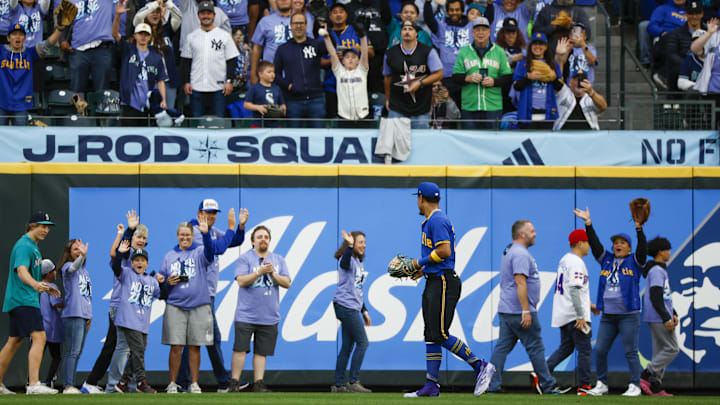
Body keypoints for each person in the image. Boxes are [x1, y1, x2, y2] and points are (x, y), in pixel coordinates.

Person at [404, 182, 495, 398]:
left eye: (417, 198)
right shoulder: (431, 221)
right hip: (434, 279)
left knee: (440, 333)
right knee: (430, 334)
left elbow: (445, 251)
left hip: (445, 281)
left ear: (420, 199)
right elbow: (438, 255)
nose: (417, 202)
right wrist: (424, 269)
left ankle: (480, 365)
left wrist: (419, 262)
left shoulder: (437, 220)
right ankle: (431, 385)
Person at [573, 206, 647, 397]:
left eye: (622, 242)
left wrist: (639, 229)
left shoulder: (634, 261)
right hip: (608, 316)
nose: (617, 245)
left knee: (630, 351)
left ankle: (635, 385)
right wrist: (588, 223)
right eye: (615, 242)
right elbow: (596, 244)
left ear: (629, 247)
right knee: (600, 350)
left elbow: (642, 249)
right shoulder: (607, 260)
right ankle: (602, 383)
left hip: (628, 315)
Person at [175, 200, 248, 393]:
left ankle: (184, 382)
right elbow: (218, 249)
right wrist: (231, 226)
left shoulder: (212, 231)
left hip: (207, 292)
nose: (212, 216)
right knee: (210, 337)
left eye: (215, 212)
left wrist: (239, 227)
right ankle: (222, 381)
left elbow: (234, 241)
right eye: (208, 212)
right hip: (199, 293)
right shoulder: (195, 230)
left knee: (198, 338)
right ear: (199, 212)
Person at [488, 220, 568, 395]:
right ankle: (547, 385)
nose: (535, 234)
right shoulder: (520, 254)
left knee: (502, 348)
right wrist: (526, 310)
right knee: (536, 347)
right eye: (532, 230)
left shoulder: (510, 251)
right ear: (522, 234)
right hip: (519, 311)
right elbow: (520, 282)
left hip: (507, 309)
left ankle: (491, 384)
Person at [160, 213, 236, 394]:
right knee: (176, 346)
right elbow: (162, 281)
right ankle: (174, 383)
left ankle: (194, 383)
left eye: (188, 234)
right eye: (182, 235)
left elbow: (211, 252)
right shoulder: (170, 255)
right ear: (178, 236)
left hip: (198, 304)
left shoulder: (200, 251)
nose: (185, 237)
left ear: (193, 235)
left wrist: (206, 235)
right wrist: (164, 281)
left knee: (195, 345)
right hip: (176, 305)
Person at [0, 211, 59, 395]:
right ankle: (33, 384)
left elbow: (31, 274)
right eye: (42, 225)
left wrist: (45, 287)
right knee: (40, 337)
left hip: (24, 298)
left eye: (48, 226)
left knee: (14, 342)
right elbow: (21, 271)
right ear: (32, 225)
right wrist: (35, 284)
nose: (46, 230)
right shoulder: (24, 246)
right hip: (23, 299)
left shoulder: (33, 246)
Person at [231, 225, 292, 393]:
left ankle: (259, 383)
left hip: (269, 315)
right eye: (259, 237)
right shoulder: (245, 259)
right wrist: (259, 271)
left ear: (269, 240)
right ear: (252, 241)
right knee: (240, 349)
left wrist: (273, 274)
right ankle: (234, 383)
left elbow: (287, 283)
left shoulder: (278, 259)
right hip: (246, 314)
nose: (263, 239)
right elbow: (241, 281)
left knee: (261, 352)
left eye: (266, 237)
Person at [546, 229, 595, 395]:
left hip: (564, 312)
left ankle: (541, 373)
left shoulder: (565, 260)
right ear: (580, 243)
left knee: (566, 348)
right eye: (587, 242)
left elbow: (571, 289)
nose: (589, 246)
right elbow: (574, 289)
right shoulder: (576, 262)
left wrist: (589, 305)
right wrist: (581, 315)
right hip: (575, 315)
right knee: (585, 349)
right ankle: (584, 386)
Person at [105, 213, 149, 393]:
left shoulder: (139, 257)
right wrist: (129, 230)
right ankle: (112, 385)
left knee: (135, 348)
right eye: (138, 236)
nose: (141, 240)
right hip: (120, 305)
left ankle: (126, 384)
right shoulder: (126, 254)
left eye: (144, 238)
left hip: (134, 308)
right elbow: (114, 253)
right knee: (123, 347)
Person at [112, 242, 163, 394]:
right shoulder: (127, 273)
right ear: (132, 262)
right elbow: (116, 268)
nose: (139, 262)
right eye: (136, 260)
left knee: (137, 352)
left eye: (142, 260)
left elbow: (162, 295)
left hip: (142, 323)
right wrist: (120, 254)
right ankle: (141, 382)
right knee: (138, 351)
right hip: (128, 319)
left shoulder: (151, 280)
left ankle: (123, 382)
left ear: (147, 263)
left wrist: (164, 282)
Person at [113, 1, 168, 126]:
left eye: (146, 34)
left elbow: (161, 80)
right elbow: (115, 35)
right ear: (135, 35)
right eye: (140, 34)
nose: (143, 37)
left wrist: (163, 100)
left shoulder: (156, 56)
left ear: (150, 37)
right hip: (129, 104)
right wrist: (117, 16)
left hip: (148, 105)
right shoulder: (128, 49)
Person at [181, 0, 239, 118]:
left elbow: (231, 60)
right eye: (203, 13)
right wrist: (186, 82)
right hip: (196, 87)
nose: (206, 16)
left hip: (219, 88)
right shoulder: (191, 37)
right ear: (198, 15)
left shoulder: (224, 36)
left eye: (208, 13)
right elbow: (186, 61)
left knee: (218, 124)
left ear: (214, 15)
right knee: (197, 124)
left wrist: (229, 81)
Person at [452, 17, 512, 129]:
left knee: (492, 143)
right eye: (477, 30)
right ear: (473, 32)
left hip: (492, 106)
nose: (481, 33)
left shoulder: (499, 51)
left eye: (484, 30)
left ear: (489, 32)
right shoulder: (464, 51)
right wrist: (468, 78)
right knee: (470, 142)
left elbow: (508, 77)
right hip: (470, 106)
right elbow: (455, 77)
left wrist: (494, 81)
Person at [331, 230, 371, 393]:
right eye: (360, 242)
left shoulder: (358, 262)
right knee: (363, 342)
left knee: (347, 346)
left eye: (364, 242)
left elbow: (357, 290)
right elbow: (344, 263)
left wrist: (364, 310)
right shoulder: (347, 258)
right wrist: (348, 245)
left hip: (352, 306)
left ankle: (339, 385)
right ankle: (353, 381)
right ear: (353, 244)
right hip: (345, 306)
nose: (364, 245)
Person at [383, 20, 443, 129]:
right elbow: (387, 77)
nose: (407, 31)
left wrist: (420, 83)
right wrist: (387, 99)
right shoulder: (390, 53)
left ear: (416, 33)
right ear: (400, 33)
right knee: (396, 142)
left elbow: (439, 74)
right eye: (404, 29)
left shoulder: (428, 51)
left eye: (410, 29)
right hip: (396, 107)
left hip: (421, 108)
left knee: (421, 143)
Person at [0, 22, 63, 125]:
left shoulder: (30, 53)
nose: (17, 37)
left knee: (20, 137)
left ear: (24, 38)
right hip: (2, 102)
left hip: (21, 104)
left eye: (20, 35)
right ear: (8, 38)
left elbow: (48, 44)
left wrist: (59, 30)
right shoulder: (1, 51)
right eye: (14, 34)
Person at [273, 12, 328, 128]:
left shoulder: (316, 44)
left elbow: (332, 47)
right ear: (291, 26)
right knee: (293, 139)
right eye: (296, 23)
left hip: (316, 99)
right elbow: (275, 74)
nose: (298, 26)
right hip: (293, 101)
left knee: (318, 138)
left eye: (301, 23)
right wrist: (288, 85)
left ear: (306, 25)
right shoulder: (283, 49)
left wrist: (324, 27)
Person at [640, 237, 679, 397]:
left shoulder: (659, 269)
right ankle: (647, 374)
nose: (669, 253)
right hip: (658, 317)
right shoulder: (656, 270)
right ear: (660, 252)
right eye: (667, 250)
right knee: (672, 349)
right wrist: (665, 318)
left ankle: (654, 385)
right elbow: (655, 296)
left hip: (660, 315)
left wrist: (673, 312)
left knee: (660, 352)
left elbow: (665, 296)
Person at [322, 2, 374, 122]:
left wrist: (362, 38)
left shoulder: (362, 70)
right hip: (332, 88)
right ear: (330, 16)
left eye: (341, 12)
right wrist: (334, 54)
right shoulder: (339, 70)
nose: (350, 59)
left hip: (362, 114)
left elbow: (367, 53)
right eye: (334, 12)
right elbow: (325, 55)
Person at [423, 0, 475, 108]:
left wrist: (489, 5)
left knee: (465, 111)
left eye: (457, 10)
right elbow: (429, 20)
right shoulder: (441, 26)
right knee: (447, 113)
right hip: (447, 77)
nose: (454, 12)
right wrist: (427, 3)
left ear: (462, 11)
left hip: (466, 76)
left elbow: (488, 19)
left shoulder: (471, 26)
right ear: (447, 11)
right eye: (451, 10)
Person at [133, 0, 183, 110]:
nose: (155, 14)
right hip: (147, 80)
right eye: (152, 12)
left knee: (168, 113)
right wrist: (155, 4)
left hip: (168, 82)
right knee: (149, 116)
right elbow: (137, 17)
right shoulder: (142, 31)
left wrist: (167, 2)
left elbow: (179, 16)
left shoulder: (168, 29)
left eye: (158, 12)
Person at [58, 239, 92, 394]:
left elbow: (87, 295)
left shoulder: (84, 272)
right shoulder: (67, 267)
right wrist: (82, 256)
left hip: (83, 315)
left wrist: (89, 315)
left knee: (77, 352)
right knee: (72, 351)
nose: (78, 252)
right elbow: (73, 267)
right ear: (69, 253)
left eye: (80, 249)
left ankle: (70, 384)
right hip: (73, 314)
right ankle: (68, 385)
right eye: (75, 249)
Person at [512, 32, 563, 129]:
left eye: (541, 44)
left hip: (547, 113)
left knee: (546, 143)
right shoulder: (523, 63)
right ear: (530, 46)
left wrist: (552, 77)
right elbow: (516, 86)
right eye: (535, 44)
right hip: (527, 114)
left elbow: (560, 87)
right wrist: (528, 78)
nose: (538, 47)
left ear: (546, 46)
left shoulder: (553, 64)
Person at [66, 0, 115, 92]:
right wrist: (62, 41)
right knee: (76, 92)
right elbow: (65, 23)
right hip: (78, 49)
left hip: (102, 47)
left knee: (102, 93)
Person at [249, 0, 298, 84]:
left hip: (295, 75)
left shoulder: (300, 20)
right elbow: (257, 49)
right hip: (270, 76)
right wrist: (253, 74)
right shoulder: (265, 21)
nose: (284, 1)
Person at [661, 1, 703, 91]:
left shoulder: (709, 32)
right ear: (686, 14)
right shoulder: (676, 33)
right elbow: (672, 54)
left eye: (697, 13)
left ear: (702, 14)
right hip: (684, 69)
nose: (694, 16)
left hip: (705, 67)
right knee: (675, 68)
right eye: (691, 13)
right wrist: (688, 65)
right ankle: (674, 100)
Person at [648, 0, 687, 89]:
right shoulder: (663, 9)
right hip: (666, 39)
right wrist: (662, 32)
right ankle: (663, 75)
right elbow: (651, 26)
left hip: (684, 41)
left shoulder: (691, 11)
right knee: (671, 42)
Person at [39, 259, 63, 389]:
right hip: (51, 329)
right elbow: (57, 303)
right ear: (48, 273)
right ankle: (49, 382)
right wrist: (69, 303)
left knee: (36, 356)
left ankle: (31, 381)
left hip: (38, 329)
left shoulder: (36, 286)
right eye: (53, 271)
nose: (55, 273)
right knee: (56, 357)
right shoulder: (52, 287)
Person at [244, 60, 286, 127]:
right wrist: (258, 107)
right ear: (260, 74)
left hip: (275, 125)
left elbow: (283, 105)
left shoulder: (277, 88)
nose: (272, 74)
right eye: (269, 72)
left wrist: (279, 110)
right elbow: (246, 104)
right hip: (258, 124)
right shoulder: (254, 88)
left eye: (273, 72)